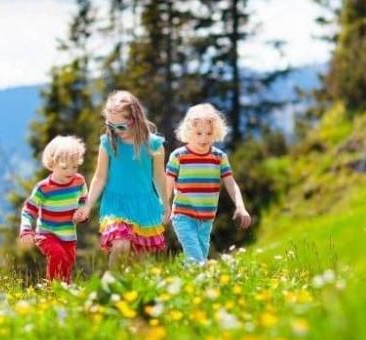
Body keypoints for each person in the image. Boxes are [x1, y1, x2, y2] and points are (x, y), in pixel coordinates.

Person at [73, 90, 169, 267]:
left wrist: (166, 205)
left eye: (121, 127)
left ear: (135, 119)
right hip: (115, 204)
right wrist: (87, 205)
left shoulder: (153, 145)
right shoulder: (108, 143)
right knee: (121, 244)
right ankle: (112, 285)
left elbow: (159, 177)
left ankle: (133, 292)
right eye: (111, 126)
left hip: (144, 205)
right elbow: (100, 177)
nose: (116, 131)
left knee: (139, 260)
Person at [165, 103, 252, 265]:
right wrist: (165, 205)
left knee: (198, 259)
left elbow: (231, 184)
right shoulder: (179, 156)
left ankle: (187, 287)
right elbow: (168, 183)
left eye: (209, 133)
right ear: (189, 131)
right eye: (199, 133)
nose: (204, 138)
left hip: (206, 218)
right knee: (197, 260)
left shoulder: (219, 157)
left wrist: (240, 206)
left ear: (216, 132)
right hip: (183, 216)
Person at [20, 135, 88, 283]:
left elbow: (84, 200)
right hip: (46, 234)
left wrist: (81, 212)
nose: (70, 171)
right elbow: (28, 210)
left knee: (67, 265)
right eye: (64, 167)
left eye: (75, 166)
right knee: (57, 255)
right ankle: (52, 290)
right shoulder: (44, 188)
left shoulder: (79, 182)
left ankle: (64, 293)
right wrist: (26, 230)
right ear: (52, 164)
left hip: (69, 235)